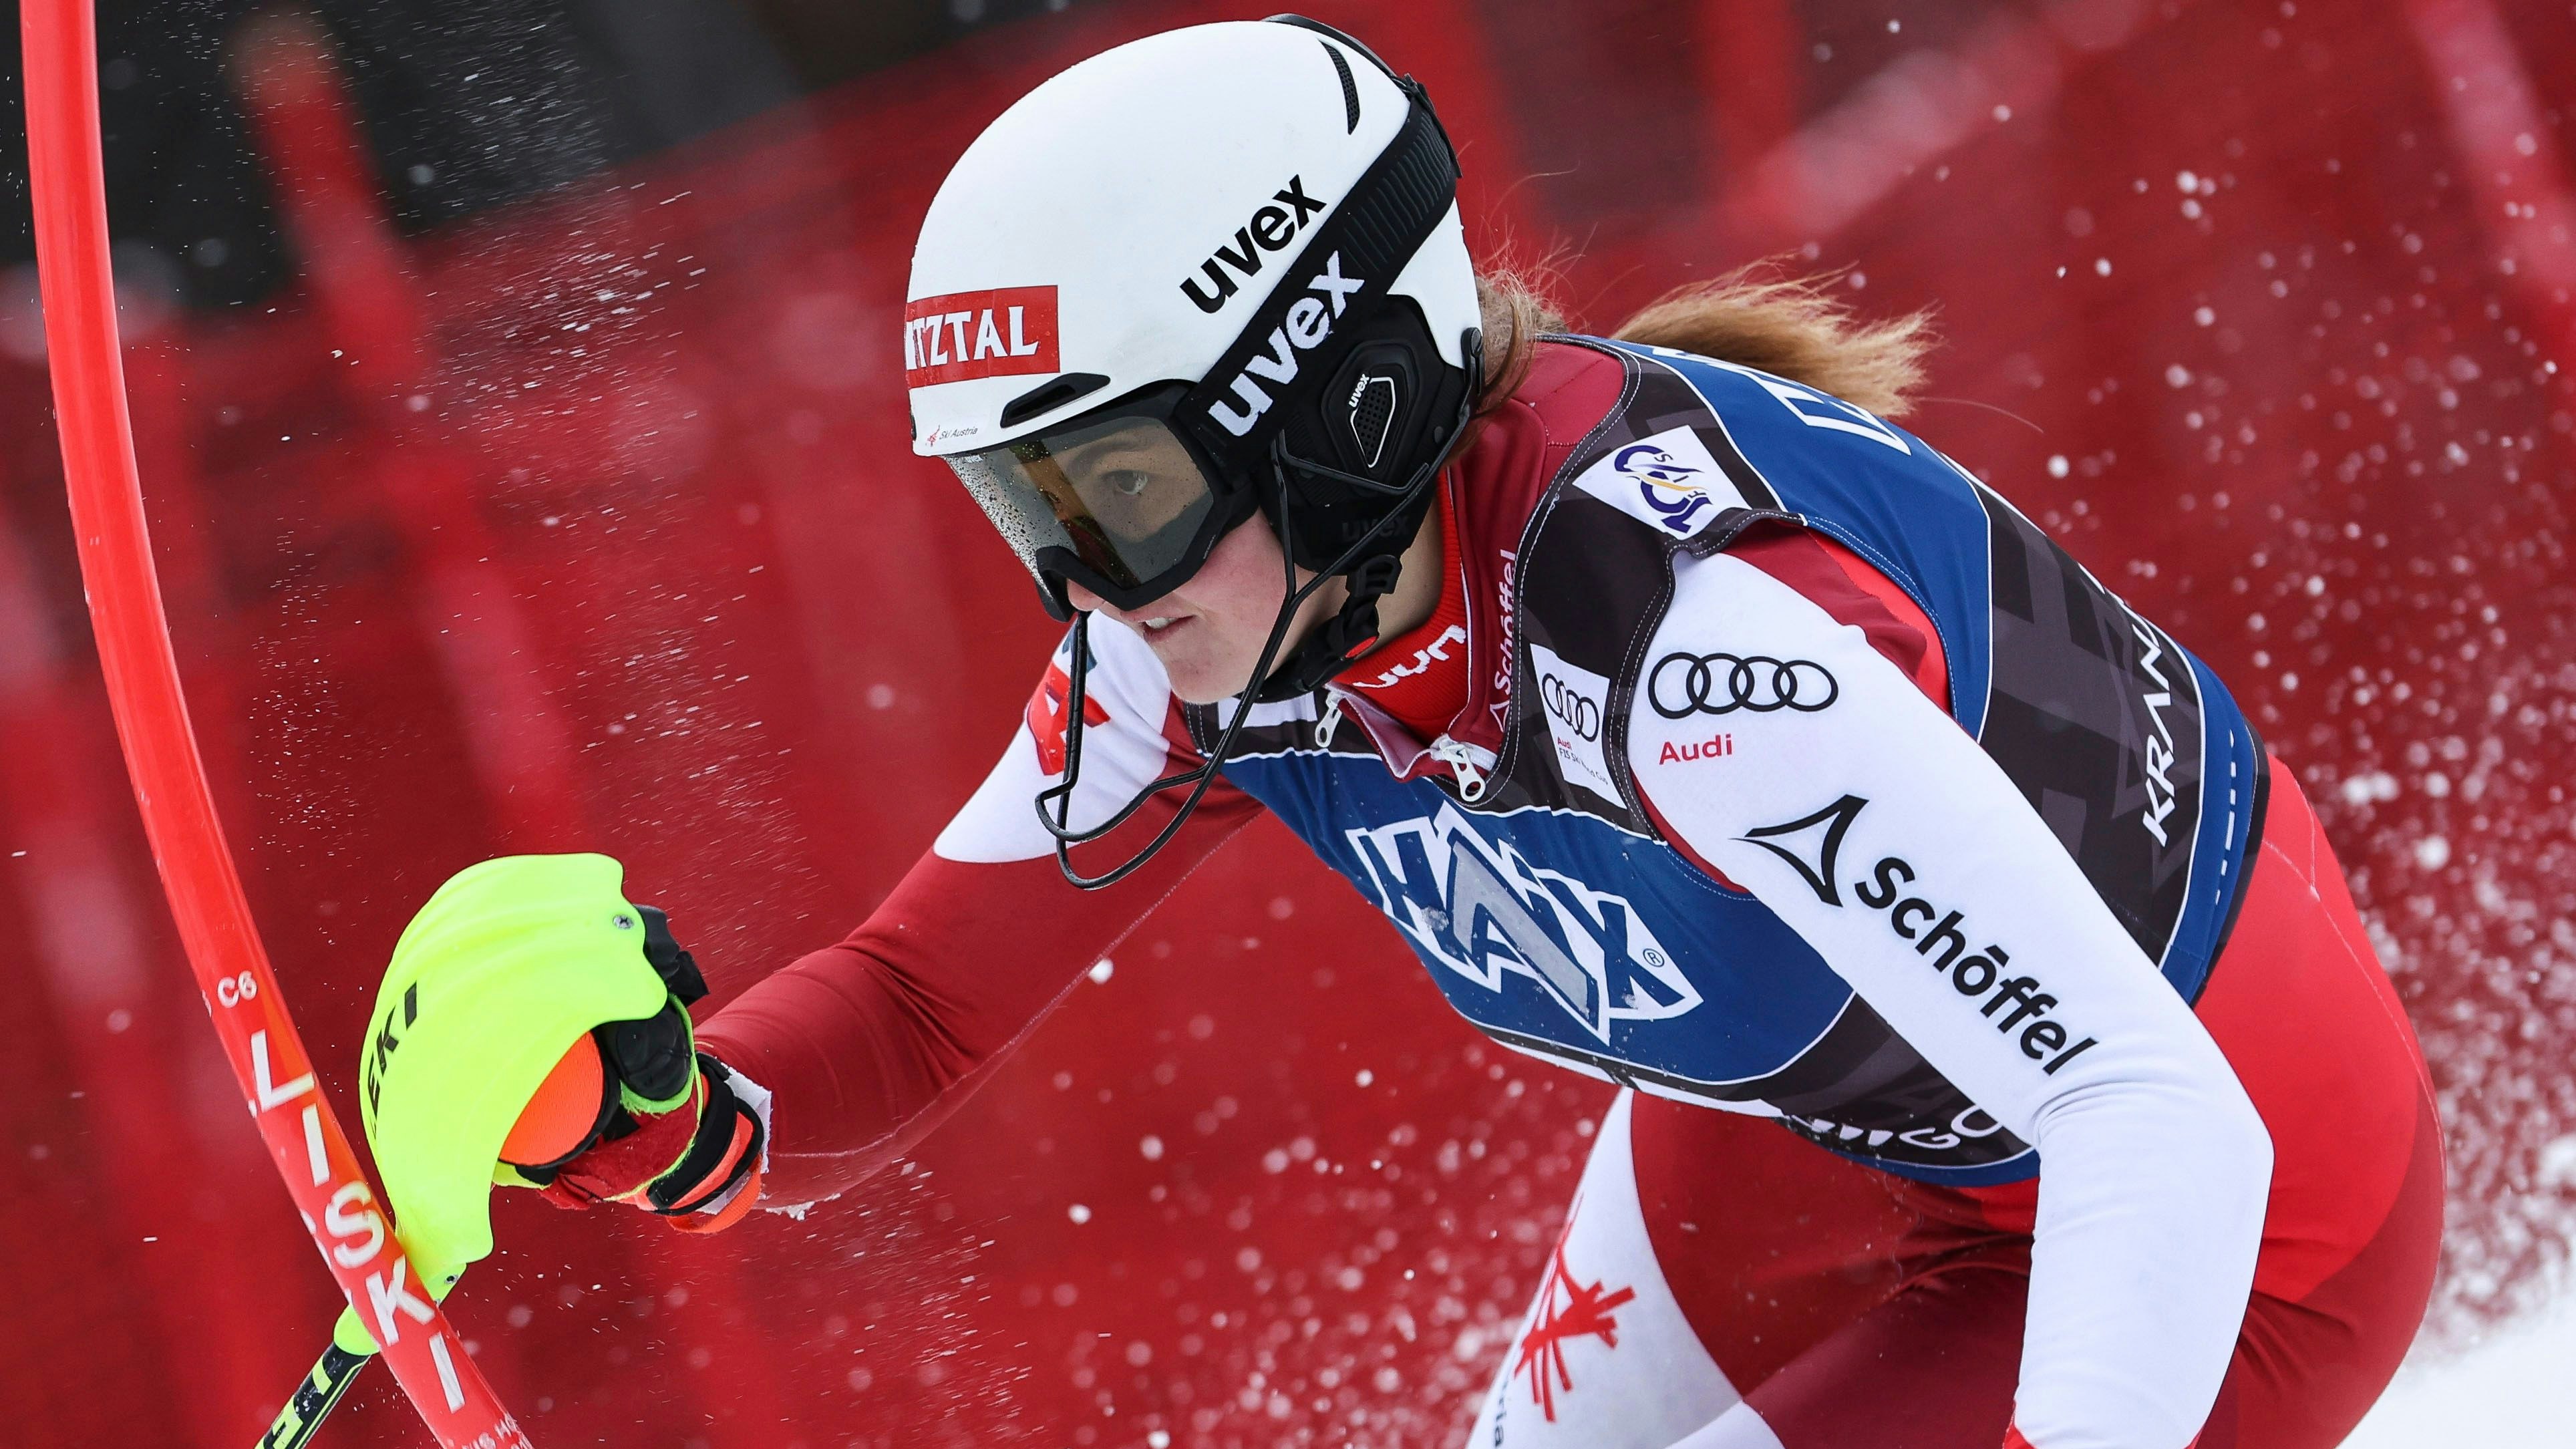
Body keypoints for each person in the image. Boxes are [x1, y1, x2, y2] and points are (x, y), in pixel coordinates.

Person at [379, 18, 2442, 1449]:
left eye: (1122, 491)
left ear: (1343, 405)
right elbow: (917, 1002)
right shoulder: (1219, 633)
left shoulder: (1707, 657)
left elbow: (2155, 1121)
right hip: (1826, 1111)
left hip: (2228, 1216)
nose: (1090, 587)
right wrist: (664, 1105)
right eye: (1032, 513)